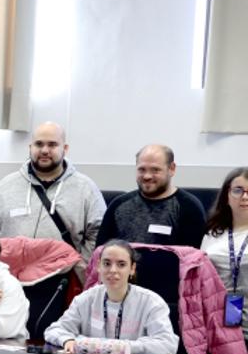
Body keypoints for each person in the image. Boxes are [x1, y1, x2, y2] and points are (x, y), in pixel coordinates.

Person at [0, 121, 106, 266]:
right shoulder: (4, 187)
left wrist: (81, 269)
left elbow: (98, 234)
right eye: (39, 144)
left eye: (52, 144)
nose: (44, 150)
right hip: (10, 279)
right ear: (30, 148)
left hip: (63, 278)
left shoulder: (86, 189)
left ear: (65, 148)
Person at [44, 239, 178, 354]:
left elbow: (167, 344)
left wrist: (123, 348)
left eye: (121, 264)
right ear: (98, 267)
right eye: (107, 264)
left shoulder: (152, 302)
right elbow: (54, 330)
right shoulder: (85, 299)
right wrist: (68, 340)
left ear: (132, 269)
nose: (113, 270)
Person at [96, 145, 207, 247]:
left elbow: (191, 260)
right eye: (142, 169)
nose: (147, 176)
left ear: (172, 169)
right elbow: (101, 251)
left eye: (155, 170)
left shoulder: (189, 207)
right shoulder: (119, 205)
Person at [200, 167, 248, 343]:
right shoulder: (213, 233)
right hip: (216, 319)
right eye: (238, 190)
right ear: (227, 195)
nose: (244, 197)